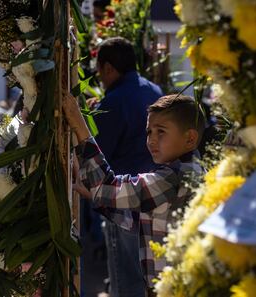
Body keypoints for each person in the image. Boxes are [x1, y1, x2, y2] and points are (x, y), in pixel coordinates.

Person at [64, 93, 205, 297]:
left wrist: (79, 125)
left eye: (161, 132)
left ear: (190, 138)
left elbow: (107, 186)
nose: (151, 140)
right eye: (149, 132)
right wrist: (97, 196)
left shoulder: (173, 178)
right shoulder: (193, 171)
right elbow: (139, 221)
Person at [88, 37, 163, 297]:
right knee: (147, 279)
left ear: (108, 68)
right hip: (155, 194)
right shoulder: (154, 90)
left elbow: (98, 155)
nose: (100, 78)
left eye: (99, 72)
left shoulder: (114, 101)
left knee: (126, 281)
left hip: (124, 201)